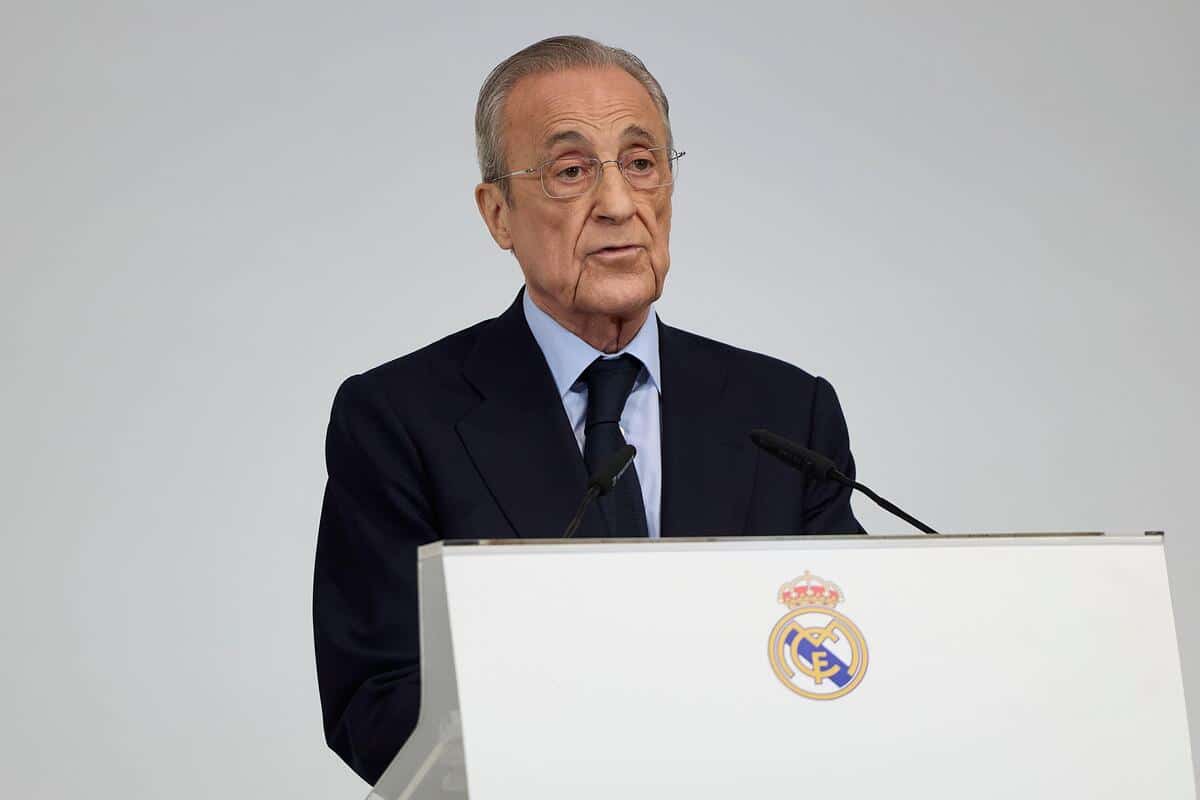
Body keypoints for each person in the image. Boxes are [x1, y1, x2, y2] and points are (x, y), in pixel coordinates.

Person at [313, 34, 863, 784]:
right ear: (498, 214)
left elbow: (844, 650)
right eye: (570, 171)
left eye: (641, 163)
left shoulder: (788, 412)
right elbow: (376, 697)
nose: (618, 205)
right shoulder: (398, 419)